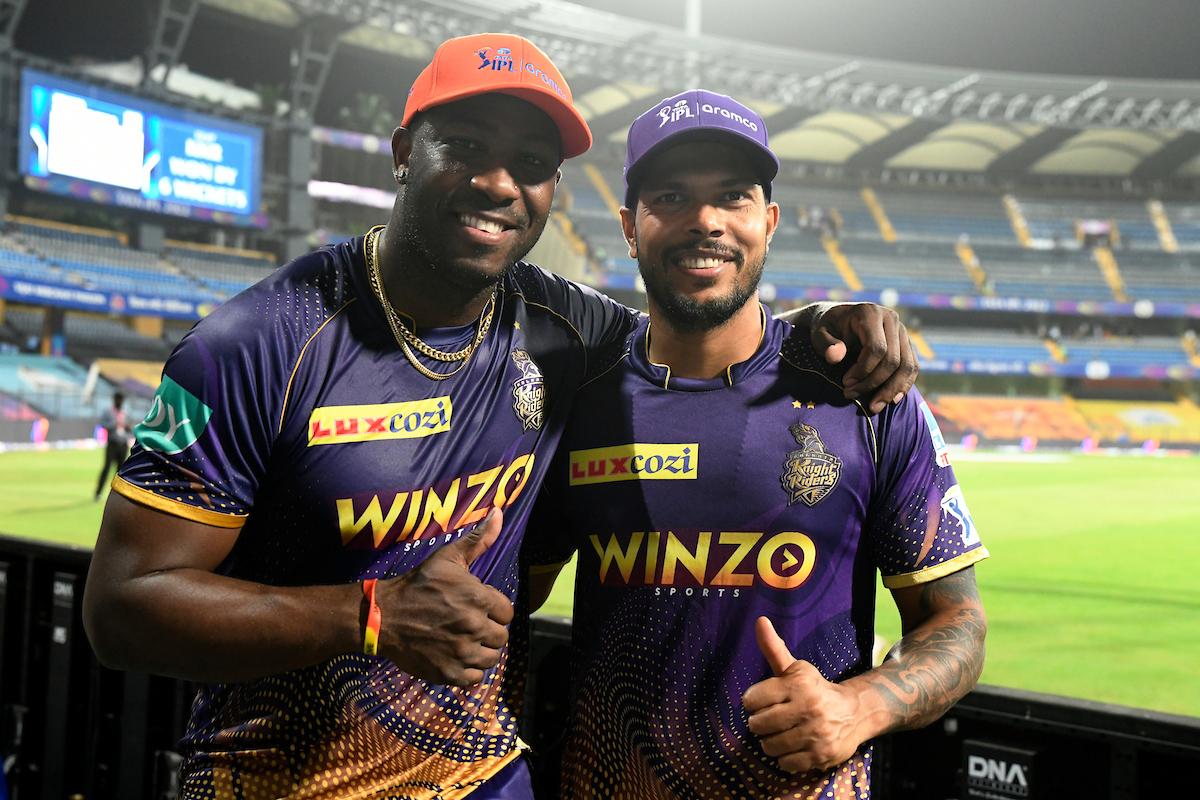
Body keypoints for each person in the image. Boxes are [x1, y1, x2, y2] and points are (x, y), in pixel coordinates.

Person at [82, 35, 916, 800]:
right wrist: (367, 617)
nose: (498, 183)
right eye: (468, 147)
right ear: (406, 153)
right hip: (278, 784)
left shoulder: (568, 328)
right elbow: (121, 609)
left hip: (485, 778)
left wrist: (822, 324)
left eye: (530, 162)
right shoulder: (256, 342)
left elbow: (700, 328)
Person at [526, 90, 988, 799]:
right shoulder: (580, 403)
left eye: (733, 197)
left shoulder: (867, 397)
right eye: (672, 196)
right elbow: (507, 593)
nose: (705, 221)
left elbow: (956, 624)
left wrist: (857, 707)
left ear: (767, 222)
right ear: (629, 225)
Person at [94, 391, 131, 500]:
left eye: (121, 399)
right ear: (114, 399)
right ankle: (98, 493)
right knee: (106, 468)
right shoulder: (108, 411)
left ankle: (117, 494)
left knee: (120, 471)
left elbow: (128, 426)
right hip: (112, 443)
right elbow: (102, 424)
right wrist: (113, 425)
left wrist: (128, 428)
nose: (119, 401)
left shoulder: (125, 412)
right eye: (118, 399)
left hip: (123, 443)